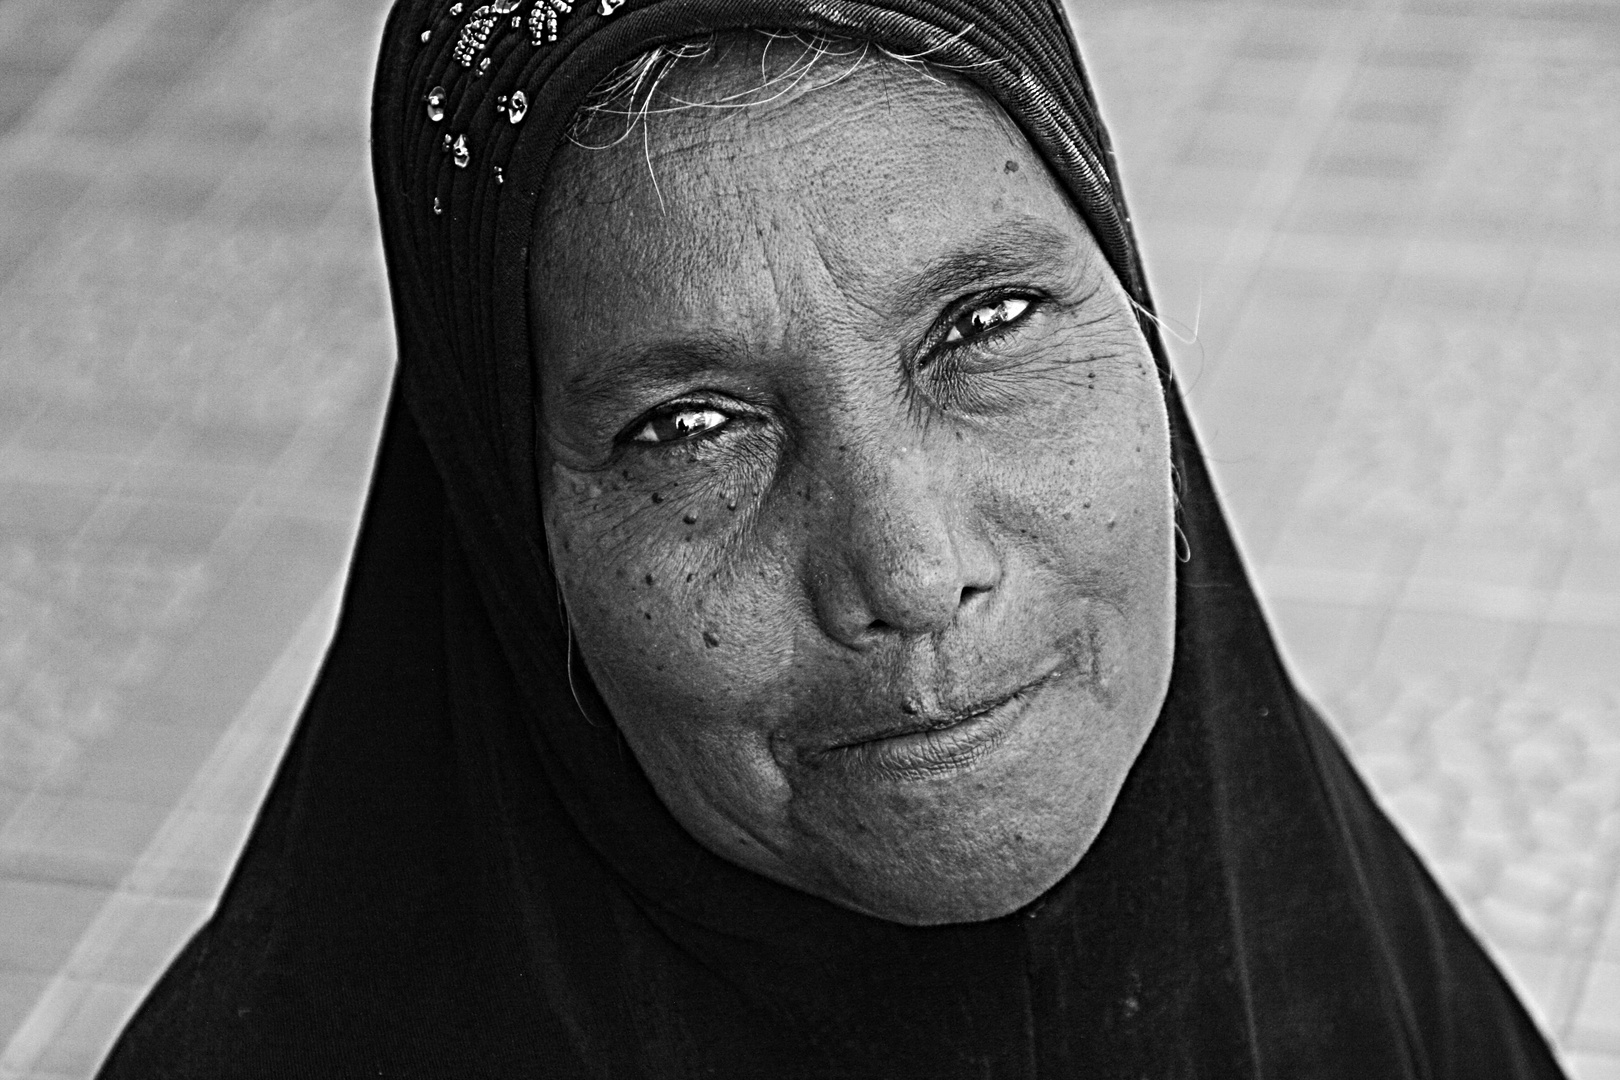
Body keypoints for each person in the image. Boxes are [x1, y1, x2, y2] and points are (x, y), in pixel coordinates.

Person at [98, 0, 1566, 1075]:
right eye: (690, 427)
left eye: (986, 324)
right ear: (506, 526)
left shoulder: (1337, 955)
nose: (914, 575)